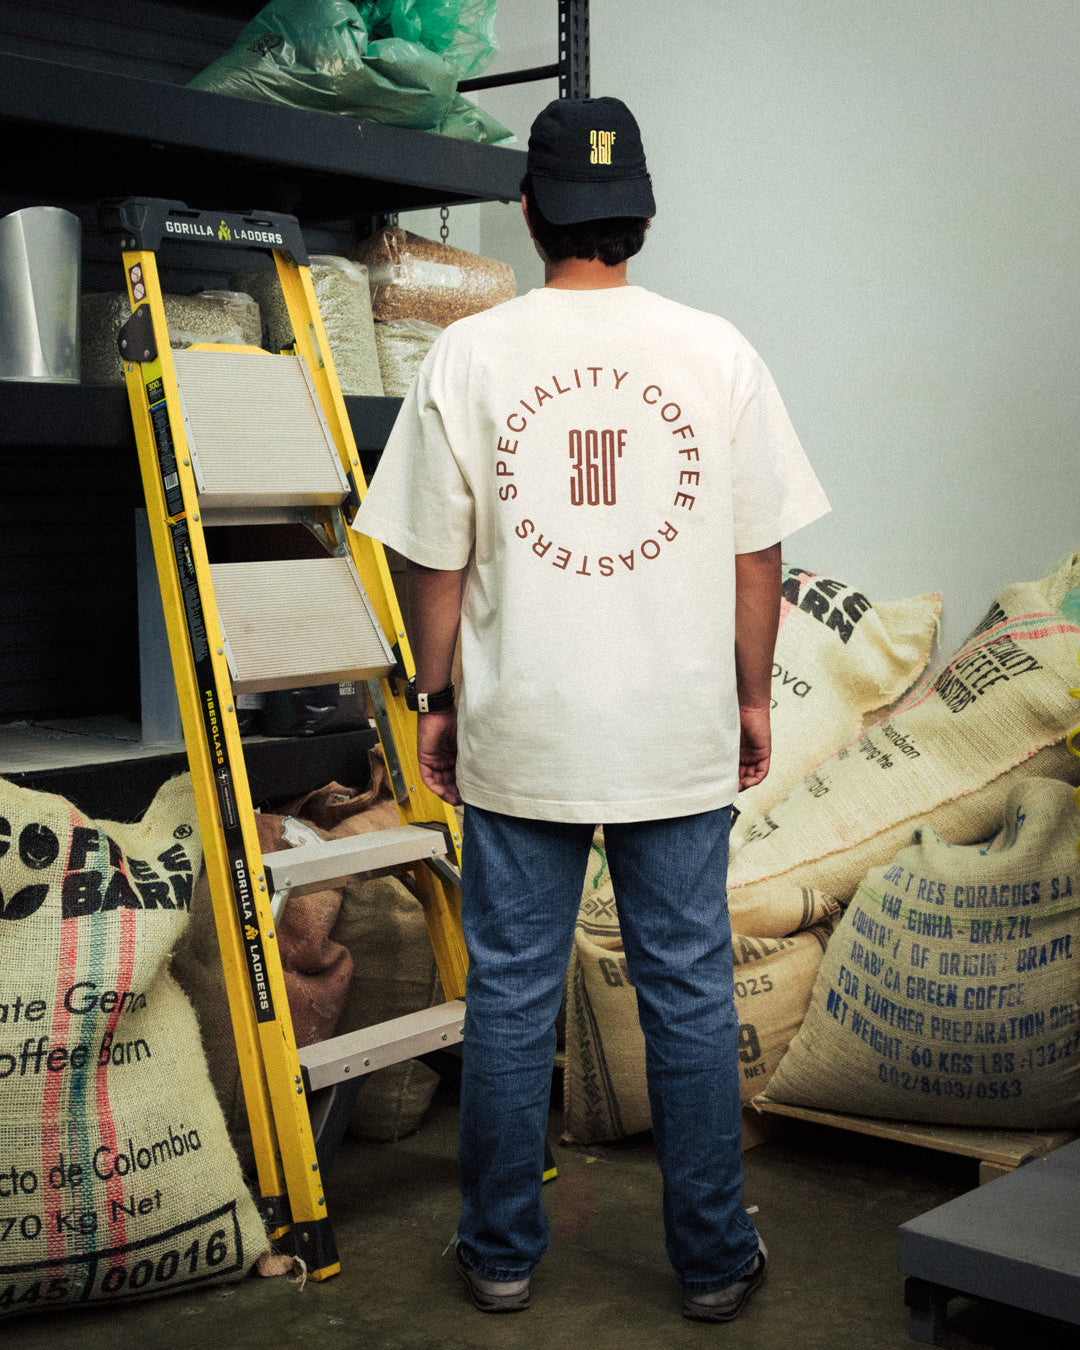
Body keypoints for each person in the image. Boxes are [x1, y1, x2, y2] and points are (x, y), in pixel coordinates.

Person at [352, 94, 830, 1322]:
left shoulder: (473, 352)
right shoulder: (718, 351)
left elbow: (434, 558)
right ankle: (716, 1264)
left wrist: (433, 695)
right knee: (688, 983)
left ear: (528, 212)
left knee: (511, 989)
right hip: (675, 729)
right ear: (647, 216)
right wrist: (751, 695)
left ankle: (502, 1255)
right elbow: (755, 554)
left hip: (526, 729)